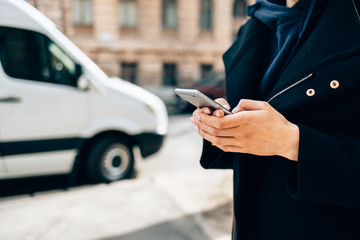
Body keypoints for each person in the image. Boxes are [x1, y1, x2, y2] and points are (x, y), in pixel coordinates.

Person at [190, 0, 360, 239]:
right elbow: (256, 156)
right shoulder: (256, 25)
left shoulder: (351, 17)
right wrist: (222, 129)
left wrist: (292, 143)